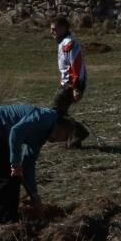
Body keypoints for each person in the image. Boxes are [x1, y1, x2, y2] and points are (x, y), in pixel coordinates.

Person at [0, 104, 75, 225]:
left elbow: (28, 165)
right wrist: (15, 162)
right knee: (4, 178)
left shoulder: (41, 137)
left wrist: (34, 194)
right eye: (65, 137)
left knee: (14, 178)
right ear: (62, 129)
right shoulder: (46, 118)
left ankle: (11, 217)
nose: (61, 141)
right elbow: (16, 131)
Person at [49, 16, 90, 147]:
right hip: (67, 84)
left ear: (63, 28)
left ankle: (79, 132)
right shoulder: (63, 42)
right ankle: (75, 138)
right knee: (60, 112)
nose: (52, 32)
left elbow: (75, 66)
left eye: (54, 29)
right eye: (51, 29)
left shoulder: (69, 44)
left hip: (71, 85)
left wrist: (76, 88)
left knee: (55, 111)